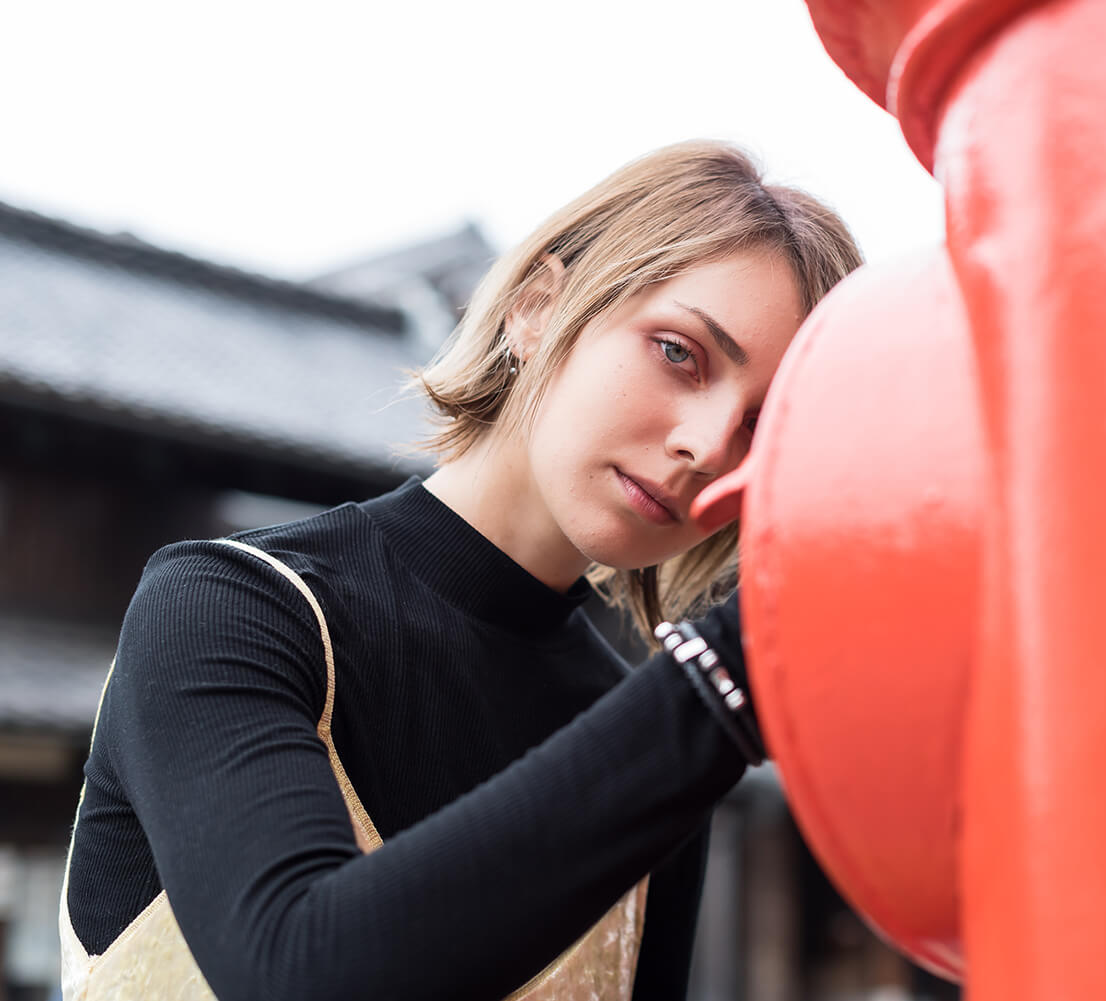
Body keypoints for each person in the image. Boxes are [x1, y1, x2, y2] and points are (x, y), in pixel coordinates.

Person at [58, 140, 863, 1001]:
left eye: (762, 425)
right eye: (678, 352)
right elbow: (298, 967)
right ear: (537, 307)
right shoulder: (231, 607)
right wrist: (724, 677)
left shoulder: (661, 732)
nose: (708, 447)